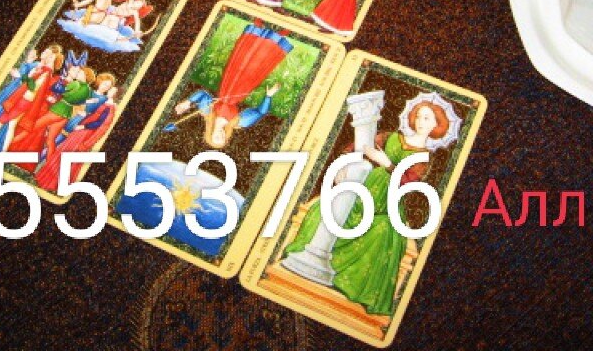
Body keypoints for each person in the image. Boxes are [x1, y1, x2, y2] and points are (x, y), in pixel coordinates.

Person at [283, 95, 455, 315]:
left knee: (382, 232)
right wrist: (342, 165)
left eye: (428, 118)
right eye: (419, 116)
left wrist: (387, 163)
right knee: (323, 210)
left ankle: (347, 283)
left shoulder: (423, 158)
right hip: (361, 187)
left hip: (386, 203)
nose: (421, 121)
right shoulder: (390, 137)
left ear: (436, 125)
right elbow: (358, 146)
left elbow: (409, 183)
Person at [0, 45, 63, 153]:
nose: (45, 55)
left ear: (52, 58)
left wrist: (22, 77)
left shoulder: (46, 72)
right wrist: (27, 76)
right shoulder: (44, 70)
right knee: (10, 126)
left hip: (24, 102)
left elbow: (34, 87)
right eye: (46, 53)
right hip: (23, 100)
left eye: (49, 54)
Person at [34, 87, 119, 192]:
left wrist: (83, 126)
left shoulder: (110, 107)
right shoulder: (105, 103)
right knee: (61, 152)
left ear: (115, 95)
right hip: (80, 129)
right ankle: (46, 179)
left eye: (112, 90)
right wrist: (84, 115)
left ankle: (53, 184)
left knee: (66, 154)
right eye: (110, 89)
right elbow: (92, 114)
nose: (109, 91)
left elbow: (99, 123)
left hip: (84, 133)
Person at [173, 83, 281, 149]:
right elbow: (260, 112)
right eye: (222, 139)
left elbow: (203, 94)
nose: (221, 135)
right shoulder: (238, 123)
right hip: (242, 87)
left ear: (210, 133)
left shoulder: (207, 113)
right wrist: (269, 96)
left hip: (227, 84)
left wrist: (187, 103)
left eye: (217, 137)